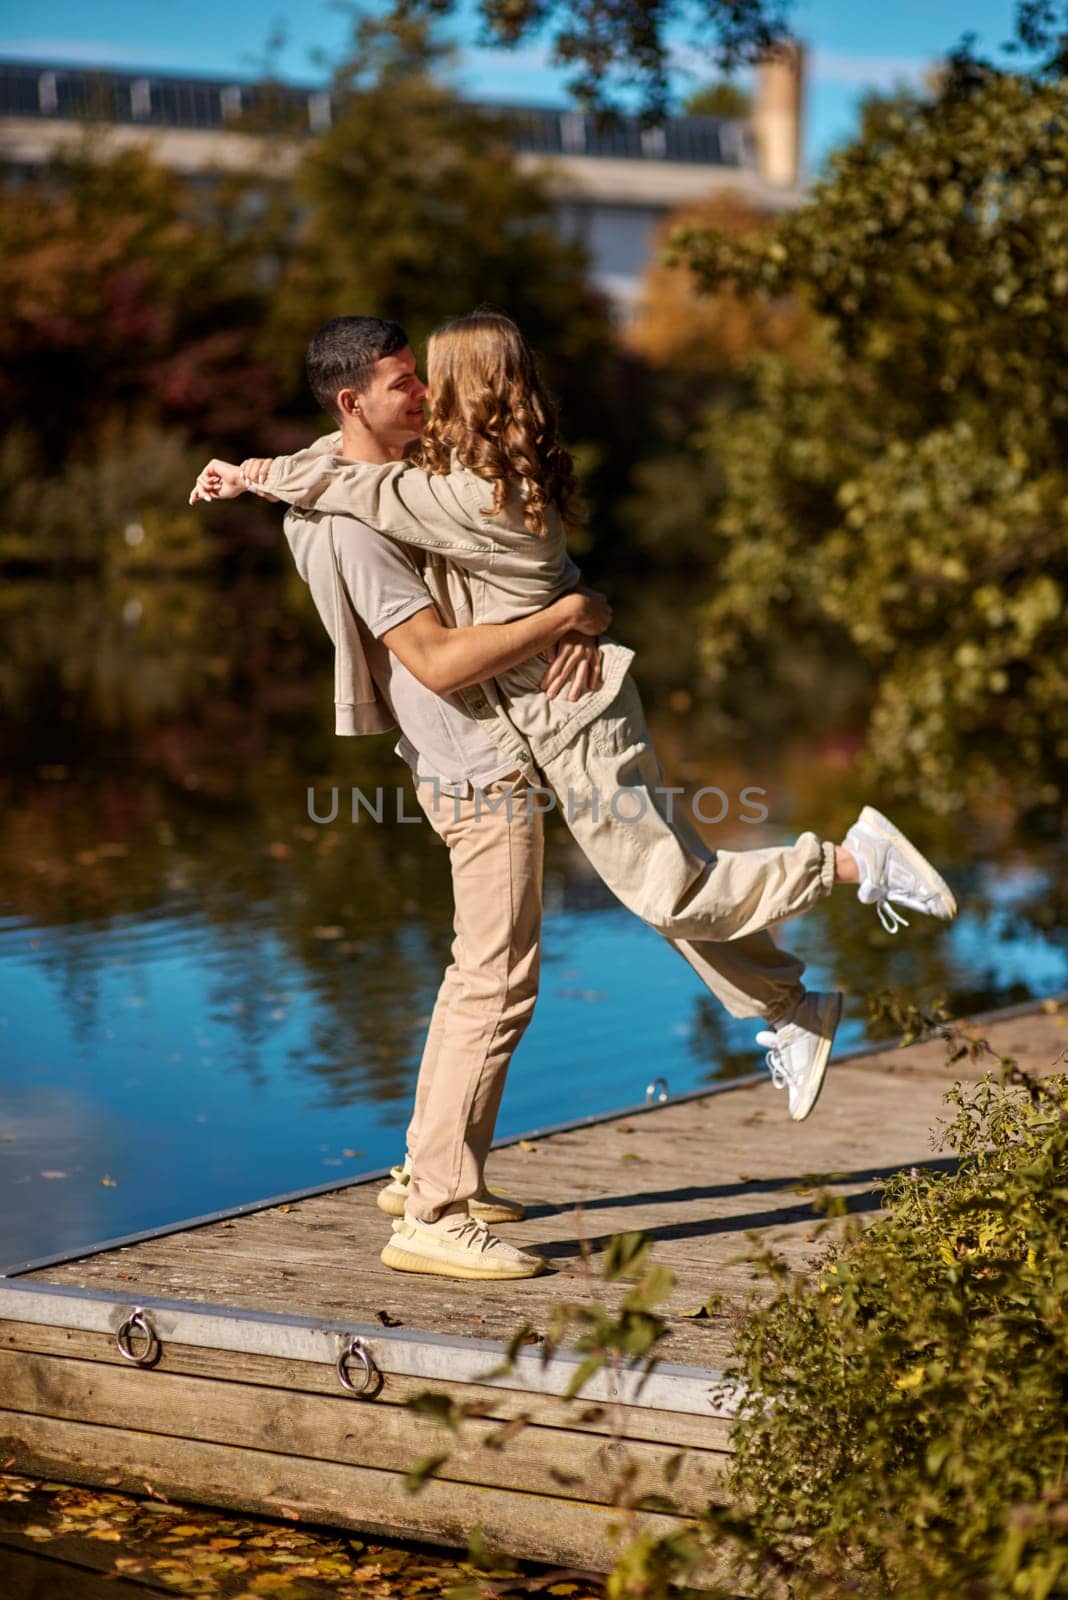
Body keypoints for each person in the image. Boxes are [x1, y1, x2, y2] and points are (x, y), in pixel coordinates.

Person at [192, 313, 958, 1277]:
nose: (423, 397)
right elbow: (431, 657)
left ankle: (443, 1169)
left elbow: (346, 474)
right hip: (478, 762)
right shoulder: (360, 520)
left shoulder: (399, 479)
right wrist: (568, 611)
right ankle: (433, 1206)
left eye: (426, 380)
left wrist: (565, 612)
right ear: (355, 402)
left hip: (514, 738)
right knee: (504, 977)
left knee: (629, 895)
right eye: (404, 384)